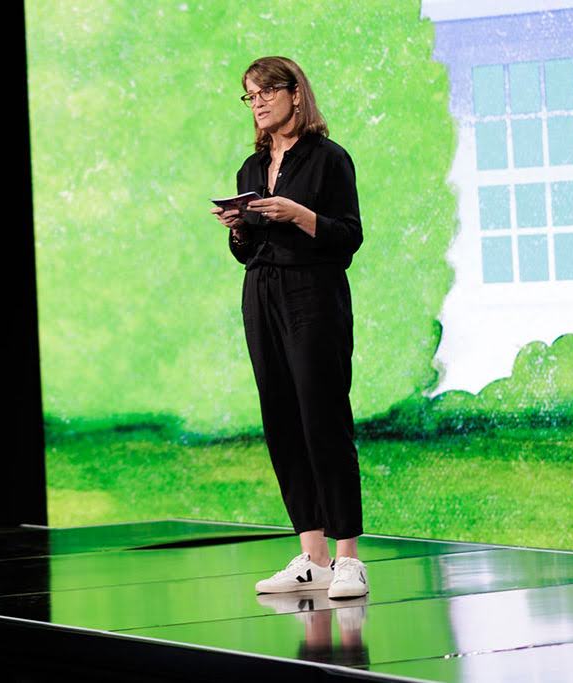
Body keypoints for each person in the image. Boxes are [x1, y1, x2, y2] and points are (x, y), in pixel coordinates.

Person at [209, 56, 368, 599]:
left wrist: (297, 213)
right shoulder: (250, 170)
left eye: (265, 92)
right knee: (281, 419)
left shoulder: (329, 160)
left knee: (322, 416)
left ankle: (348, 558)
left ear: (295, 93)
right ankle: (313, 554)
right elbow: (247, 252)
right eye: (249, 96)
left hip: (313, 295)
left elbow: (349, 235)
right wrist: (238, 229)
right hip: (262, 293)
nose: (256, 102)